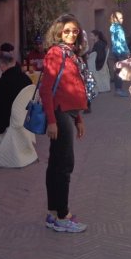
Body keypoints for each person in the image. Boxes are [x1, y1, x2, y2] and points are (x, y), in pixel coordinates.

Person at [39, 14, 89, 234]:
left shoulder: (71, 54)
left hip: (68, 114)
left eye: (75, 31)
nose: (71, 34)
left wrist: (78, 118)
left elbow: (71, 87)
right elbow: (46, 89)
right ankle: (63, 215)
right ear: (58, 31)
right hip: (59, 116)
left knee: (56, 164)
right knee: (64, 165)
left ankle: (53, 213)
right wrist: (52, 121)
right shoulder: (56, 53)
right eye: (67, 31)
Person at [109, 11, 130, 97]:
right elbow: (122, 41)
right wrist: (127, 51)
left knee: (117, 70)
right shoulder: (119, 29)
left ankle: (118, 88)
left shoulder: (112, 27)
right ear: (115, 19)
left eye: (122, 18)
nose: (122, 20)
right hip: (120, 51)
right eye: (120, 18)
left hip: (115, 51)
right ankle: (119, 89)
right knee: (120, 70)